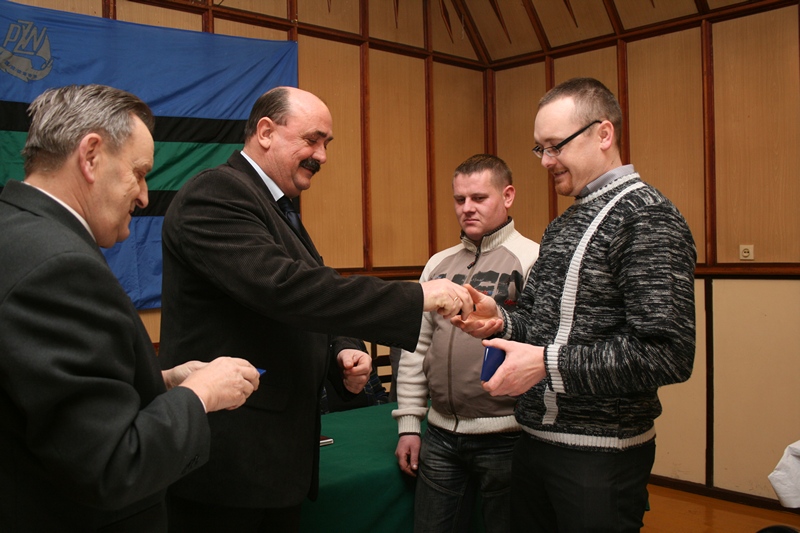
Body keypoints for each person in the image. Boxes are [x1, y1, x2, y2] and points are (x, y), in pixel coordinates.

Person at [158, 85, 475, 532]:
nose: (322, 156)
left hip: (272, 462)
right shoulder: (216, 194)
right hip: (229, 464)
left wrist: (341, 349)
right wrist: (418, 295)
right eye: (312, 140)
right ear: (265, 132)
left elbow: (310, 291)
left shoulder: (276, 206)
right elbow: (286, 289)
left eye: (327, 143)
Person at [0, 84, 261, 532]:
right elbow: (111, 465)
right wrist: (200, 394)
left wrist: (161, 381)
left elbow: (39, 392)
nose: (144, 196)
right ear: (90, 156)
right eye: (139, 173)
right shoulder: (60, 267)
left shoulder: (16, 230)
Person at [453, 78, 697, 532]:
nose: (546, 161)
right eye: (540, 149)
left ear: (603, 134)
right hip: (534, 443)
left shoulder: (647, 216)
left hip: (599, 457)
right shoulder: (563, 224)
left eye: (555, 146)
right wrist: (500, 320)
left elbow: (668, 354)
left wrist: (546, 364)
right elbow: (540, 324)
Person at [393, 154, 540, 532]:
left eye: (479, 198)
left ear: (507, 196)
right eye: (460, 199)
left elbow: (543, 346)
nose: (467, 208)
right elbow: (415, 348)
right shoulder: (437, 264)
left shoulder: (533, 259)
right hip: (441, 436)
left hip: (509, 437)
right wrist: (409, 424)